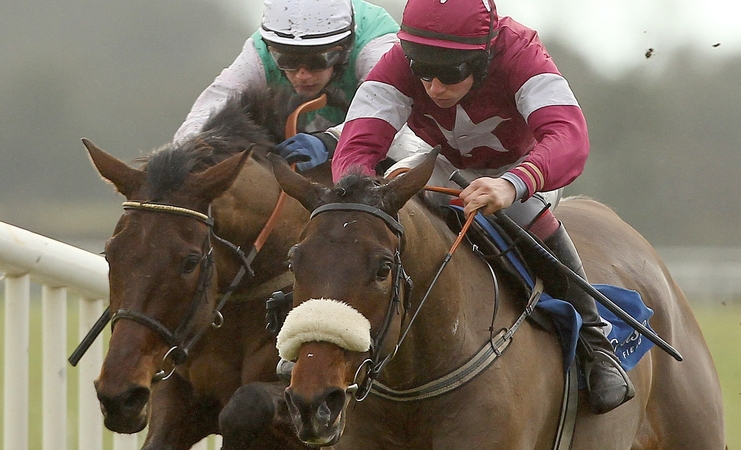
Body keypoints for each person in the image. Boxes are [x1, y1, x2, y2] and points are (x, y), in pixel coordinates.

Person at [331, 0, 635, 414]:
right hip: (441, 162)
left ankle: (597, 346)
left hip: (523, 169)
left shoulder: (520, 51)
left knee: (519, 215)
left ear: (484, 56)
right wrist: (362, 200)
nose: (434, 88)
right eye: (423, 71)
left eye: (450, 73)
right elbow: (355, 149)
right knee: (381, 202)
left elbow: (569, 136)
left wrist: (513, 184)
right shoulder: (398, 61)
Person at [173, 0, 423, 171]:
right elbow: (214, 103)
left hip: (407, 137)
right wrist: (187, 152)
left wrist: (329, 141)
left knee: (407, 149)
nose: (302, 75)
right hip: (318, 138)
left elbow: (390, 116)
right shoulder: (260, 50)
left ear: (345, 48)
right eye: (287, 61)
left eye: (318, 60)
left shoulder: (377, 45)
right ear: (272, 49)